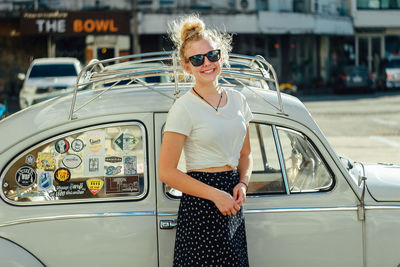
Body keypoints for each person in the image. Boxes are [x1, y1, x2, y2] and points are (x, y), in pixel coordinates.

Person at [158, 14, 253, 267]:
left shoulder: (239, 100)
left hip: (232, 202)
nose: (207, 63)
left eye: (212, 55)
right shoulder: (183, 108)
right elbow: (166, 171)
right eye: (197, 59)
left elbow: (245, 155)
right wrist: (215, 195)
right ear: (187, 67)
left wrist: (243, 183)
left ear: (222, 57)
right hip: (200, 205)